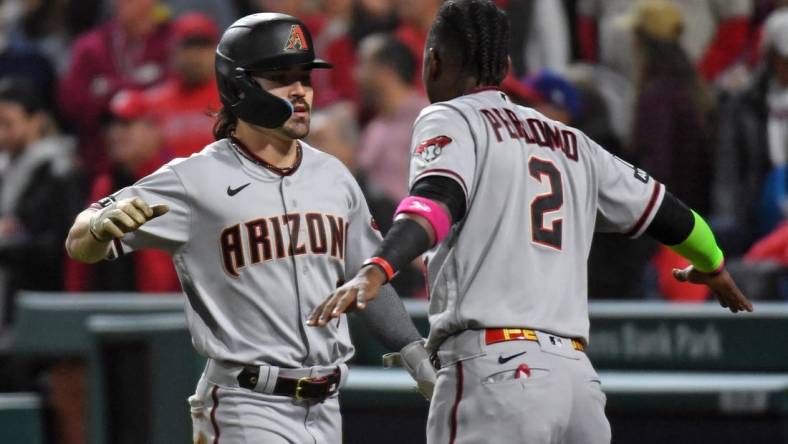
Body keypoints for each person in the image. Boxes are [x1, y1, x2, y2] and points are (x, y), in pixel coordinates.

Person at [308, 1, 753, 443]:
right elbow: (670, 214)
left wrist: (379, 265)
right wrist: (712, 263)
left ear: (434, 59)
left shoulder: (452, 116)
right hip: (578, 384)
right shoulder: (573, 141)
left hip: (497, 370)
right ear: (504, 65)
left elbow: (437, 200)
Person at [65, 13, 434, 444]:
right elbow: (79, 242)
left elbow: (367, 277)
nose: (300, 91)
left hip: (328, 406)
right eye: (281, 77)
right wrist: (96, 227)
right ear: (240, 86)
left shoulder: (334, 176)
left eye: (305, 78)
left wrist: (412, 348)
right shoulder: (194, 178)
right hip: (247, 404)